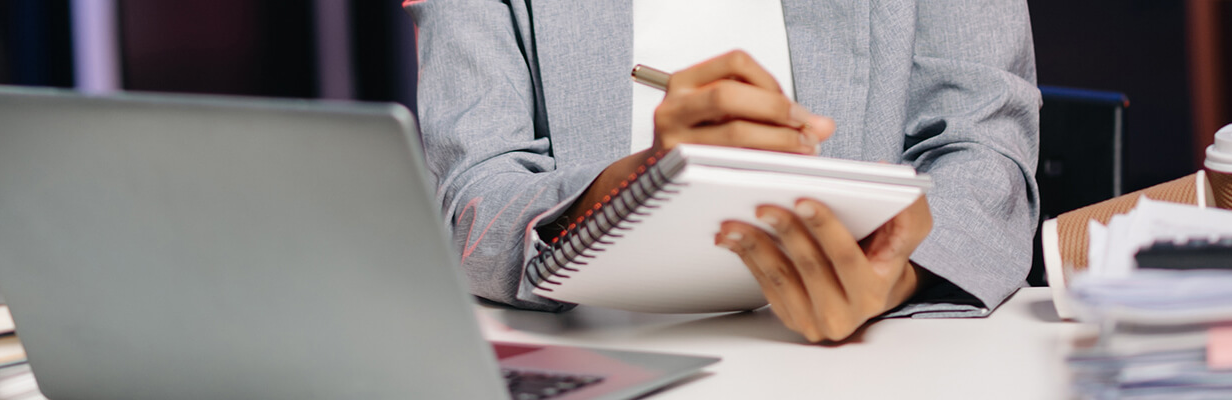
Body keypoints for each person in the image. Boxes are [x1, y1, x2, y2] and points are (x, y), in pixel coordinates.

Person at [405, 0, 1040, 343]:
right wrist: (641, 185)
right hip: (601, 353)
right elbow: (473, 199)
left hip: (861, 366)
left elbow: (987, 155)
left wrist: (888, 274)